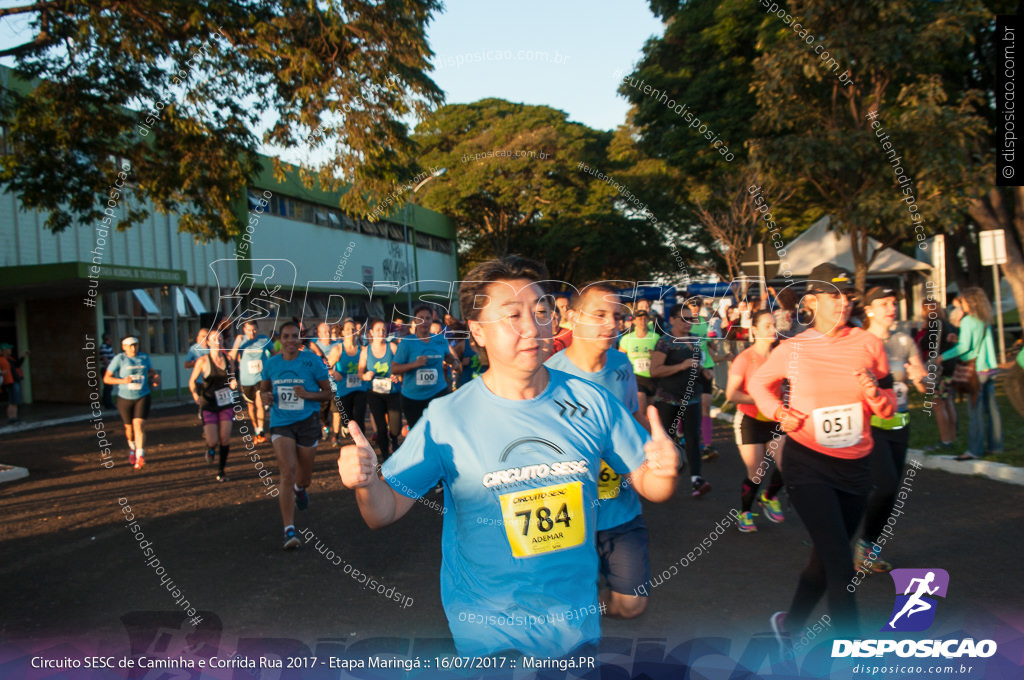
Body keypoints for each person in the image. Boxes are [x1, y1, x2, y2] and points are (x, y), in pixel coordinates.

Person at [338, 255, 679, 658]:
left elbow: (651, 486)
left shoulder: (593, 401)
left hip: (574, 627)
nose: (531, 327)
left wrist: (665, 469)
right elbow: (383, 511)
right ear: (478, 331)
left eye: (541, 311)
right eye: (512, 315)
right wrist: (365, 483)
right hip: (489, 635)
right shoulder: (447, 418)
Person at [748, 262, 896, 642]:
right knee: (841, 564)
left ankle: (790, 626)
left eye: (848, 296)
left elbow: (889, 402)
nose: (843, 303)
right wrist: (780, 413)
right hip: (808, 465)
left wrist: (877, 397)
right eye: (834, 295)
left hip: (856, 467)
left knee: (825, 559)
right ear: (812, 301)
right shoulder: (793, 348)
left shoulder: (869, 344)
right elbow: (759, 384)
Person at [545, 282, 652, 619]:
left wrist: (653, 458)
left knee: (631, 606)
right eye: (600, 314)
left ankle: (598, 596)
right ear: (572, 318)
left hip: (620, 508)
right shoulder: (549, 376)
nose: (612, 324)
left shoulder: (622, 364)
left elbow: (634, 420)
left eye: (617, 316)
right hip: (569, 514)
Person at [854, 287, 927, 571]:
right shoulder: (861, 342)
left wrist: (921, 379)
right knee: (883, 485)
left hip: (900, 422)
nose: (891, 308)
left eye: (893, 303)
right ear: (870, 310)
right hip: (872, 425)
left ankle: (869, 546)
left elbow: (923, 383)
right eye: (883, 303)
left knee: (891, 489)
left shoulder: (904, 340)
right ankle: (855, 542)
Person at [259, 321, 333, 549]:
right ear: (280, 339)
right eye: (286, 336)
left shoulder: (312, 361)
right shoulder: (271, 364)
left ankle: (301, 490)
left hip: (307, 423)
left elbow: (328, 393)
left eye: (295, 336)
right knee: (287, 472)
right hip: (281, 423)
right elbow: (263, 390)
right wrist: (265, 397)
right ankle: (289, 529)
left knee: (303, 477)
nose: (291, 340)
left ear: (300, 339)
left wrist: (308, 395)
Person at [725, 310, 786, 533]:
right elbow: (731, 394)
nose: (773, 330)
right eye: (768, 326)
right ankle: (745, 512)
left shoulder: (779, 357)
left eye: (774, 325)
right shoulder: (744, 359)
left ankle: (769, 497)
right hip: (749, 420)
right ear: (755, 330)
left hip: (774, 419)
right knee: (757, 472)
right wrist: (761, 399)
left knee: (787, 465)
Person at [650, 304, 711, 497]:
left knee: (693, 438)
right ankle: (660, 479)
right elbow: (655, 370)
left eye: (690, 319)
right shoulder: (665, 342)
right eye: (683, 318)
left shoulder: (695, 340)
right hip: (668, 399)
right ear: (673, 320)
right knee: (667, 439)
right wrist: (681, 366)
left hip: (691, 398)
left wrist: (703, 371)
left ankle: (697, 479)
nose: (688, 323)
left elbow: (696, 364)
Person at [938, 287, 1002, 460]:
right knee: (992, 409)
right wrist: (958, 338)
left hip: (976, 370)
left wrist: (942, 357)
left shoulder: (968, 320)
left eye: (963, 300)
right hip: (990, 367)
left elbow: (965, 348)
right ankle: (996, 446)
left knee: (975, 411)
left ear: (970, 302)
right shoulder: (984, 318)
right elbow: (976, 342)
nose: (961, 304)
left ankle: (974, 450)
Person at [391, 305, 461, 429]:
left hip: (438, 392)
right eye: (421, 318)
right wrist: (414, 364)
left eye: (428, 318)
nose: (424, 321)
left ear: (431, 320)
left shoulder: (440, 340)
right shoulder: (407, 342)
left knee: (440, 429)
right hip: (413, 397)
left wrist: (454, 362)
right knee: (418, 434)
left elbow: (447, 357)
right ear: (415, 321)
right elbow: (394, 369)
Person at [189, 330, 238, 481]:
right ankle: (210, 448)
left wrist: (233, 383)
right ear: (208, 342)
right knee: (212, 440)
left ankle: (221, 471)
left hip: (225, 403)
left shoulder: (228, 359)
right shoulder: (203, 361)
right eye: (214, 339)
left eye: (220, 338)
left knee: (225, 439)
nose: (218, 341)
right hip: (208, 403)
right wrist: (196, 395)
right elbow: (192, 381)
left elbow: (232, 377)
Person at [104, 337, 160, 469]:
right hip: (125, 398)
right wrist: (122, 381)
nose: (133, 348)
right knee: (129, 428)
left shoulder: (144, 357)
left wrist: (156, 377)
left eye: (135, 345)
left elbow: (150, 371)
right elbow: (107, 378)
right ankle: (132, 448)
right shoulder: (120, 359)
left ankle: (140, 455)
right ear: (124, 347)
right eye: (130, 346)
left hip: (143, 395)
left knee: (138, 425)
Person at [915, 298, 958, 451]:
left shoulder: (934, 324)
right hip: (949, 367)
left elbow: (924, 343)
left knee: (937, 404)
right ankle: (952, 437)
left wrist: (920, 331)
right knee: (948, 402)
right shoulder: (946, 324)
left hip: (937, 368)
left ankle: (944, 440)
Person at [362, 318, 402, 459]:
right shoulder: (366, 350)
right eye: (378, 329)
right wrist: (365, 375)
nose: (381, 332)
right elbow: (360, 371)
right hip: (375, 393)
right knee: (381, 428)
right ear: (371, 332)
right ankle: (386, 456)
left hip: (393, 392)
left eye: (384, 329)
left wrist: (397, 375)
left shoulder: (393, 347)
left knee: (396, 427)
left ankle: (394, 440)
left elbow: (401, 367)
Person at [326, 318, 368, 446]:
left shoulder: (363, 349)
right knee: (348, 421)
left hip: (361, 388)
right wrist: (333, 372)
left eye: (353, 329)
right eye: (348, 329)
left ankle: (362, 445)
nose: (351, 331)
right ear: (343, 332)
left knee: (359, 417)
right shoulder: (338, 350)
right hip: (343, 390)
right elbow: (325, 368)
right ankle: (347, 430)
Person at [230, 320, 272, 444]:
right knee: (251, 405)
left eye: (254, 329)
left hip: (261, 378)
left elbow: (275, 353)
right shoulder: (241, 341)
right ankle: (256, 429)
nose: (252, 332)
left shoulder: (264, 340)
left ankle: (261, 430)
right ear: (244, 330)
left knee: (260, 402)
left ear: (258, 328)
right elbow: (231, 357)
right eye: (249, 330)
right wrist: (237, 342)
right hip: (246, 379)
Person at [619, 299, 661, 413]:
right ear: (634, 321)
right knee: (641, 408)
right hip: (636, 377)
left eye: (645, 318)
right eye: (639, 318)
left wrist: (654, 356)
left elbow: (661, 358)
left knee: (652, 410)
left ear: (648, 320)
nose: (642, 321)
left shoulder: (656, 337)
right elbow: (620, 358)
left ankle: (650, 430)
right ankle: (642, 429)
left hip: (652, 377)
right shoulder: (626, 339)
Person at [309, 322, 339, 440]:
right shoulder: (314, 348)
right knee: (323, 412)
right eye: (325, 332)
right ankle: (325, 423)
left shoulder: (338, 345)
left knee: (337, 411)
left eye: (329, 331)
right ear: (319, 333)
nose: (328, 334)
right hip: (321, 386)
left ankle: (336, 436)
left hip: (336, 385)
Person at [0, 343, 28, 424]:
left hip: (14, 381)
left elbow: (17, 365)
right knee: (13, 401)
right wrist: (2, 373)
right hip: (9, 382)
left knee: (15, 401)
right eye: (8, 349)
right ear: (4, 351)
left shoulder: (9, 359)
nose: (10, 350)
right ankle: (12, 418)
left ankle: (14, 418)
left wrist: (24, 356)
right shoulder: (2, 360)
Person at [99, 334, 116, 409]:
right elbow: (105, 359)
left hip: (109, 369)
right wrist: (110, 369)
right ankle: (107, 403)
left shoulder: (108, 347)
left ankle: (108, 403)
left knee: (109, 387)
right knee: (108, 387)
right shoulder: (104, 347)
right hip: (107, 369)